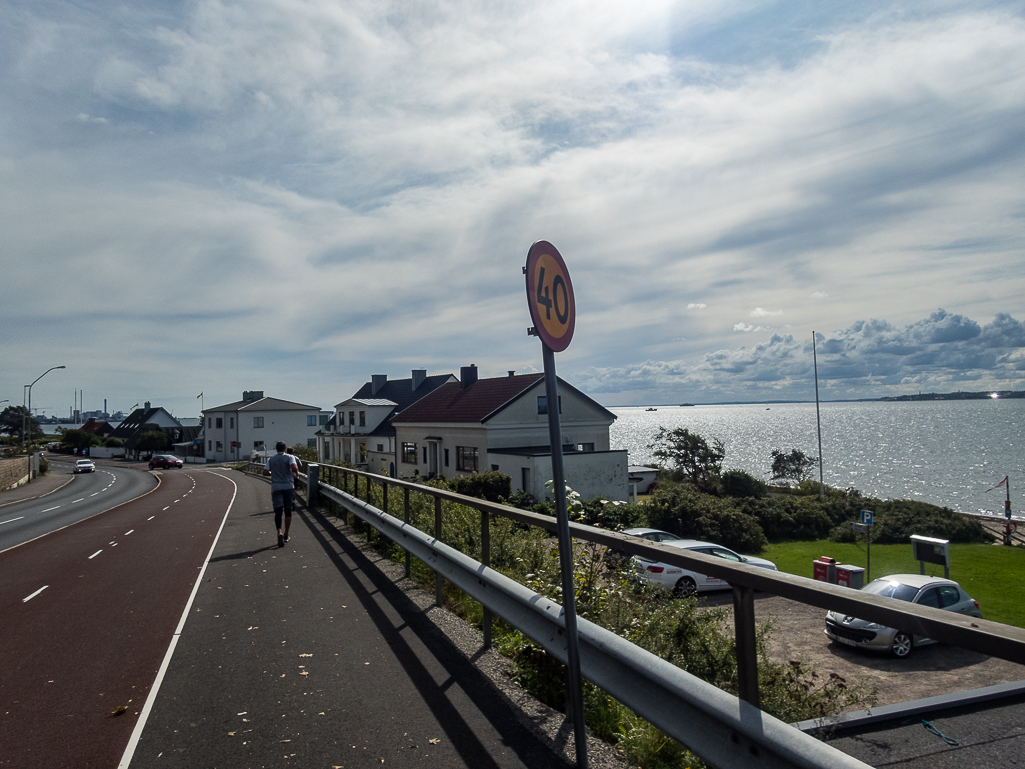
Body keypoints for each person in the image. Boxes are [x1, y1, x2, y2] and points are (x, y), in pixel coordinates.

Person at [264, 441, 298, 547]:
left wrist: (272, 472)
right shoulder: (289, 457)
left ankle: (279, 531)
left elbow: (265, 472)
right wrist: (295, 471)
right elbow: (294, 468)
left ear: (276, 449)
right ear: (284, 448)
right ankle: (286, 534)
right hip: (288, 487)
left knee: (278, 512)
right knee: (288, 511)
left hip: (276, 488)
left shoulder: (271, 459)